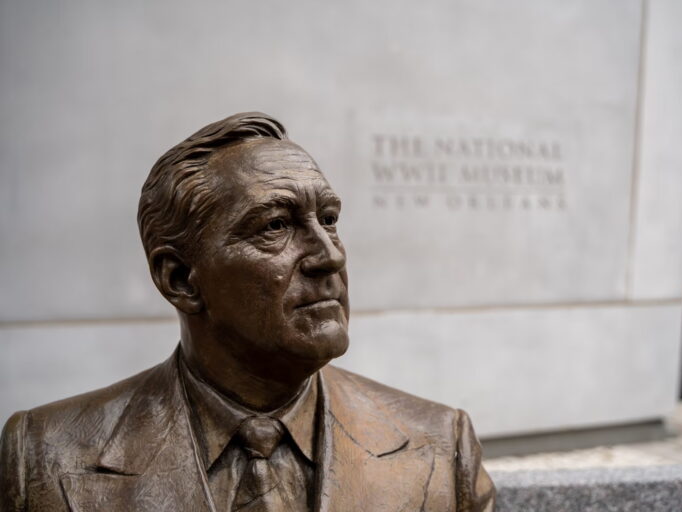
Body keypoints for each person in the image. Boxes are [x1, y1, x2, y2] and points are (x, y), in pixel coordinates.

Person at [0, 112, 495, 511]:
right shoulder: (45, 454)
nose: (330, 256)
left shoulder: (440, 445)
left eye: (328, 220)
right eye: (275, 226)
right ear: (180, 279)